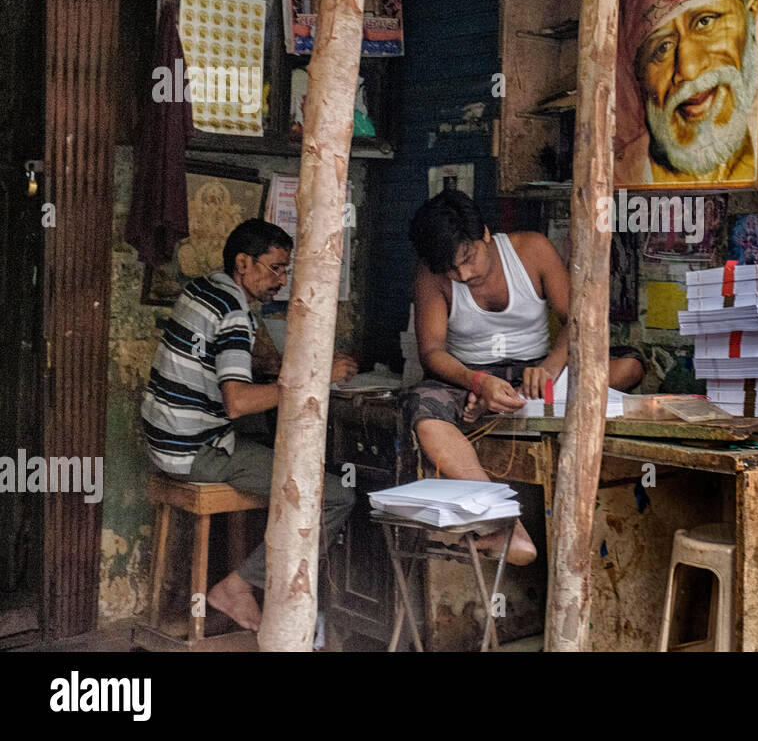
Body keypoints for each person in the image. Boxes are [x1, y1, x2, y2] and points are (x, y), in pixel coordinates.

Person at [140, 219, 359, 632]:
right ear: (244, 263)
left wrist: (273, 369)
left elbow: (217, 360)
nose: (281, 279)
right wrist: (317, 377)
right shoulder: (234, 312)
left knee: (268, 446)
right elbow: (238, 402)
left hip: (164, 438)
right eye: (275, 268)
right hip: (194, 451)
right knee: (335, 494)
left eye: (285, 270)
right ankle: (237, 586)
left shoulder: (205, 288)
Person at [406, 190, 645, 566]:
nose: (464, 274)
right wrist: (477, 382)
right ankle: (503, 524)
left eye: (468, 258)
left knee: (629, 366)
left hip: (539, 371)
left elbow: (579, 321)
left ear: (484, 233)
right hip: (469, 376)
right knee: (423, 409)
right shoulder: (431, 274)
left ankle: (502, 404)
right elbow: (432, 352)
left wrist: (550, 367)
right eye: (453, 270)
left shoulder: (531, 250)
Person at [615, 0, 758, 186]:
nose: (689, 69)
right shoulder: (616, 178)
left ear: (752, 13)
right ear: (636, 71)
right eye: (661, 48)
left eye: (705, 22)